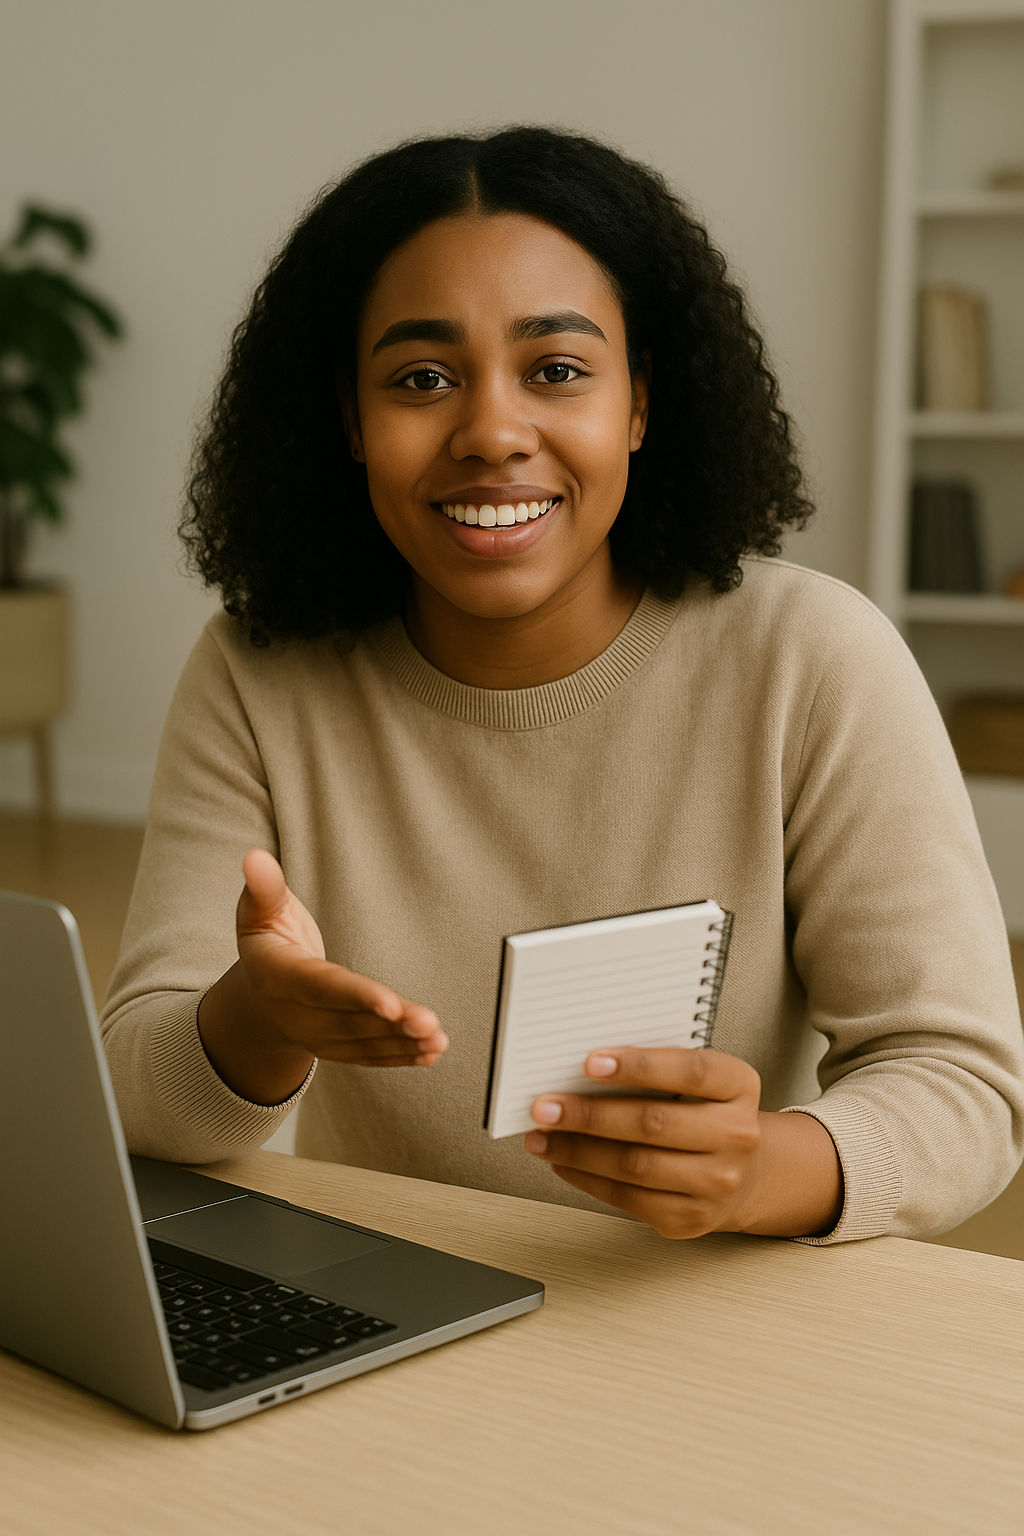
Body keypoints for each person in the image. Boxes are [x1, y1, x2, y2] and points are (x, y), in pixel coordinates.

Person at [102, 126, 1023, 1245]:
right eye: (422, 378)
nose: (492, 431)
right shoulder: (258, 670)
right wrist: (250, 1019)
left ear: (639, 404)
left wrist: (764, 1168)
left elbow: (962, 1084)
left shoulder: (812, 656)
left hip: (701, 1309)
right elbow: (138, 1092)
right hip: (389, 1301)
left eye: (557, 370)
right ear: (348, 419)